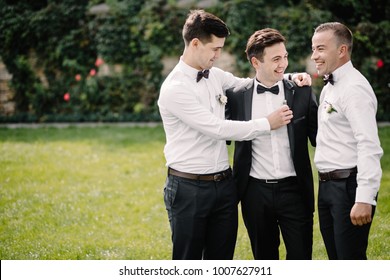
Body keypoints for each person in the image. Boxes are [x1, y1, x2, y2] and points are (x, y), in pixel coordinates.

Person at [157, 10, 311, 260]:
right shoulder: (175, 89)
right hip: (188, 188)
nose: (219, 55)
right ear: (195, 44)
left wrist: (291, 77)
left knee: (222, 261)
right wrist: (266, 124)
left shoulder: (215, 75)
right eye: (215, 49)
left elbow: (251, 84)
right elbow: (217, 127)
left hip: (225, 187)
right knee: (188, 262)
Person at [225, 28, 318, 260]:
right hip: (255, 192)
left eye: (285, 57)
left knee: (301, 258)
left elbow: (319, 138)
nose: (283, 63)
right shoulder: (237, 96)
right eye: (276, 59)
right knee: (264, 259)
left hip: (295, 189)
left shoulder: (302, 92)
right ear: (256, 61)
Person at [311, 22, 383, 260]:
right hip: (328, 186)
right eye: (313, 49)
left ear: (342, 50)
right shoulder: (329, 86)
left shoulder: (354, 88)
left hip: (349, 188)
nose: (314, 56)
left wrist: (364, 198)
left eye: (320, 49)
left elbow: (369, 145)